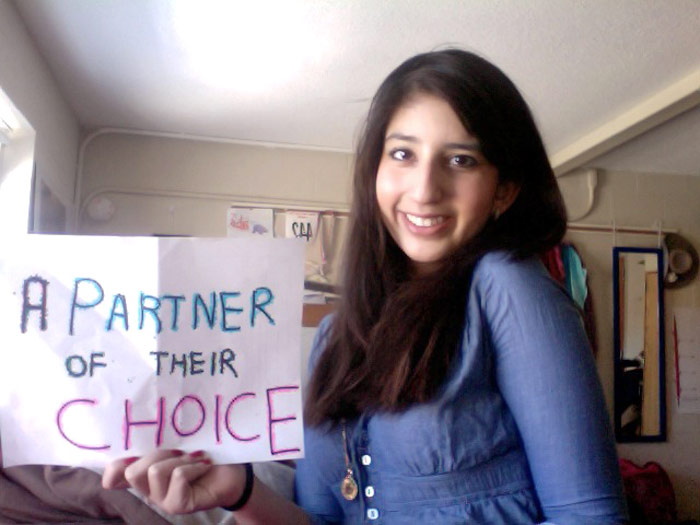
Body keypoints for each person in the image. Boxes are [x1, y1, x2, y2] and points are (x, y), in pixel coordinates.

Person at [103, 49, 629, 524]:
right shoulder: (335, 338)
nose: (424, 190)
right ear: (374, 168)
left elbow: (593, 516)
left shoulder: (507, 287)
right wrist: (238, 493)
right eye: (403, 154)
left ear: (504, 191)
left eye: (461, 160)